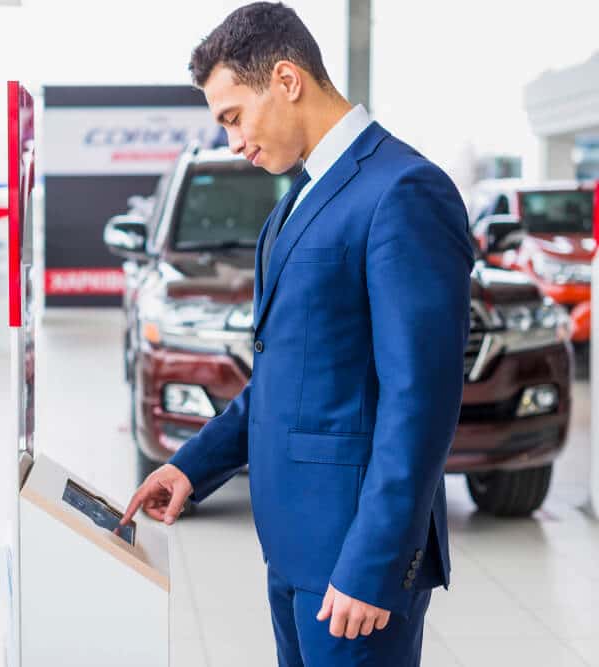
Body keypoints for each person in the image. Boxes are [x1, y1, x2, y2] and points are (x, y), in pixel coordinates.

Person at [119, 3, 473, 665]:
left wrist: (373, 563)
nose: (233, 142)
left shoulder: (404, 192)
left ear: (286, 80)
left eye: (232, 117)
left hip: (353, 563)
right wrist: (191, 466)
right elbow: (283, 376)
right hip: (293, 548)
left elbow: (419, 400)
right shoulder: (297, 201)